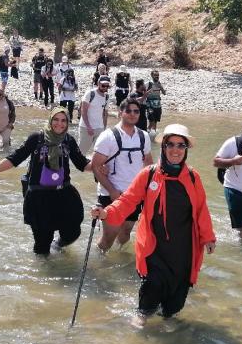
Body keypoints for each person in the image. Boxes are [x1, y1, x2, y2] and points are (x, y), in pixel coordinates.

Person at [91, 124, 216, 326]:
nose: (175, 150)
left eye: (181, 145)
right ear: (164, 147)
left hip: (184, 247)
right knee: (153, 283)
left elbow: (201, 209)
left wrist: (208, 237)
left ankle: (169, 321)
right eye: (170, 145)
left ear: (186, 150)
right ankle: (142, 315)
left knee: (178, 288)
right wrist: (107, 213)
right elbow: (128, 201)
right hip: (154, 245)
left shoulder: (193, 177)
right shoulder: (148, 174)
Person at [0, 107, 94, 256]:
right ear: (50, 120)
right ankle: (43, 273)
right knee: (42, 247)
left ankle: (57, 245)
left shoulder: (69, 140)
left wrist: (100, 164)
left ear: (68, 123)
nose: (59, 124)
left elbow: (82, 164)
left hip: (64, 195)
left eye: (63, 120)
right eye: (56, 119)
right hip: (39, 198)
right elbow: (15, 158)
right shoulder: (37, 138)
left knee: (72, 232)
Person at [91, 98, 153, 252]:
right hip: (111, 195)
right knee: (108, 239)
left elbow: (149, 166)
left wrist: (149, 191)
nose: (132, 114)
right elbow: (96, 166)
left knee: (125, 234)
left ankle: (120, 263)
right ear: (120, 113)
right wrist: (112, 191)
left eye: (136, 111)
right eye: (128, 111)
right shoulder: (108, 136)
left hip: (134, 196)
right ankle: (99, 266)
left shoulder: (143, 136)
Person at [78, 75, 110, 154]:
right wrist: (88, 127)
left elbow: (105, 114)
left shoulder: (107, 97)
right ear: (98, 83)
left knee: (99, 152)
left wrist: (104, 129)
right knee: (81, 153)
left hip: (99, 128)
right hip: (86, 127)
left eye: (107, 86)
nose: (105, 88)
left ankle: (92, 166)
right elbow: (83, 111)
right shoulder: (90, 93)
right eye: (103, 85)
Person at [146, 70, 166, 135]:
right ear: (152, 76)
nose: (157, 77)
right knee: (151, 121)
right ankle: (146, 134)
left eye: (158, 75)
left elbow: (164, 93)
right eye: (155, 75)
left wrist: (161, 87)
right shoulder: (148, 83)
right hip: (150, 105)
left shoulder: (159, 83)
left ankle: (153, 135)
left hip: (158, 105)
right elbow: (143, 93)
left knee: (156, 122)